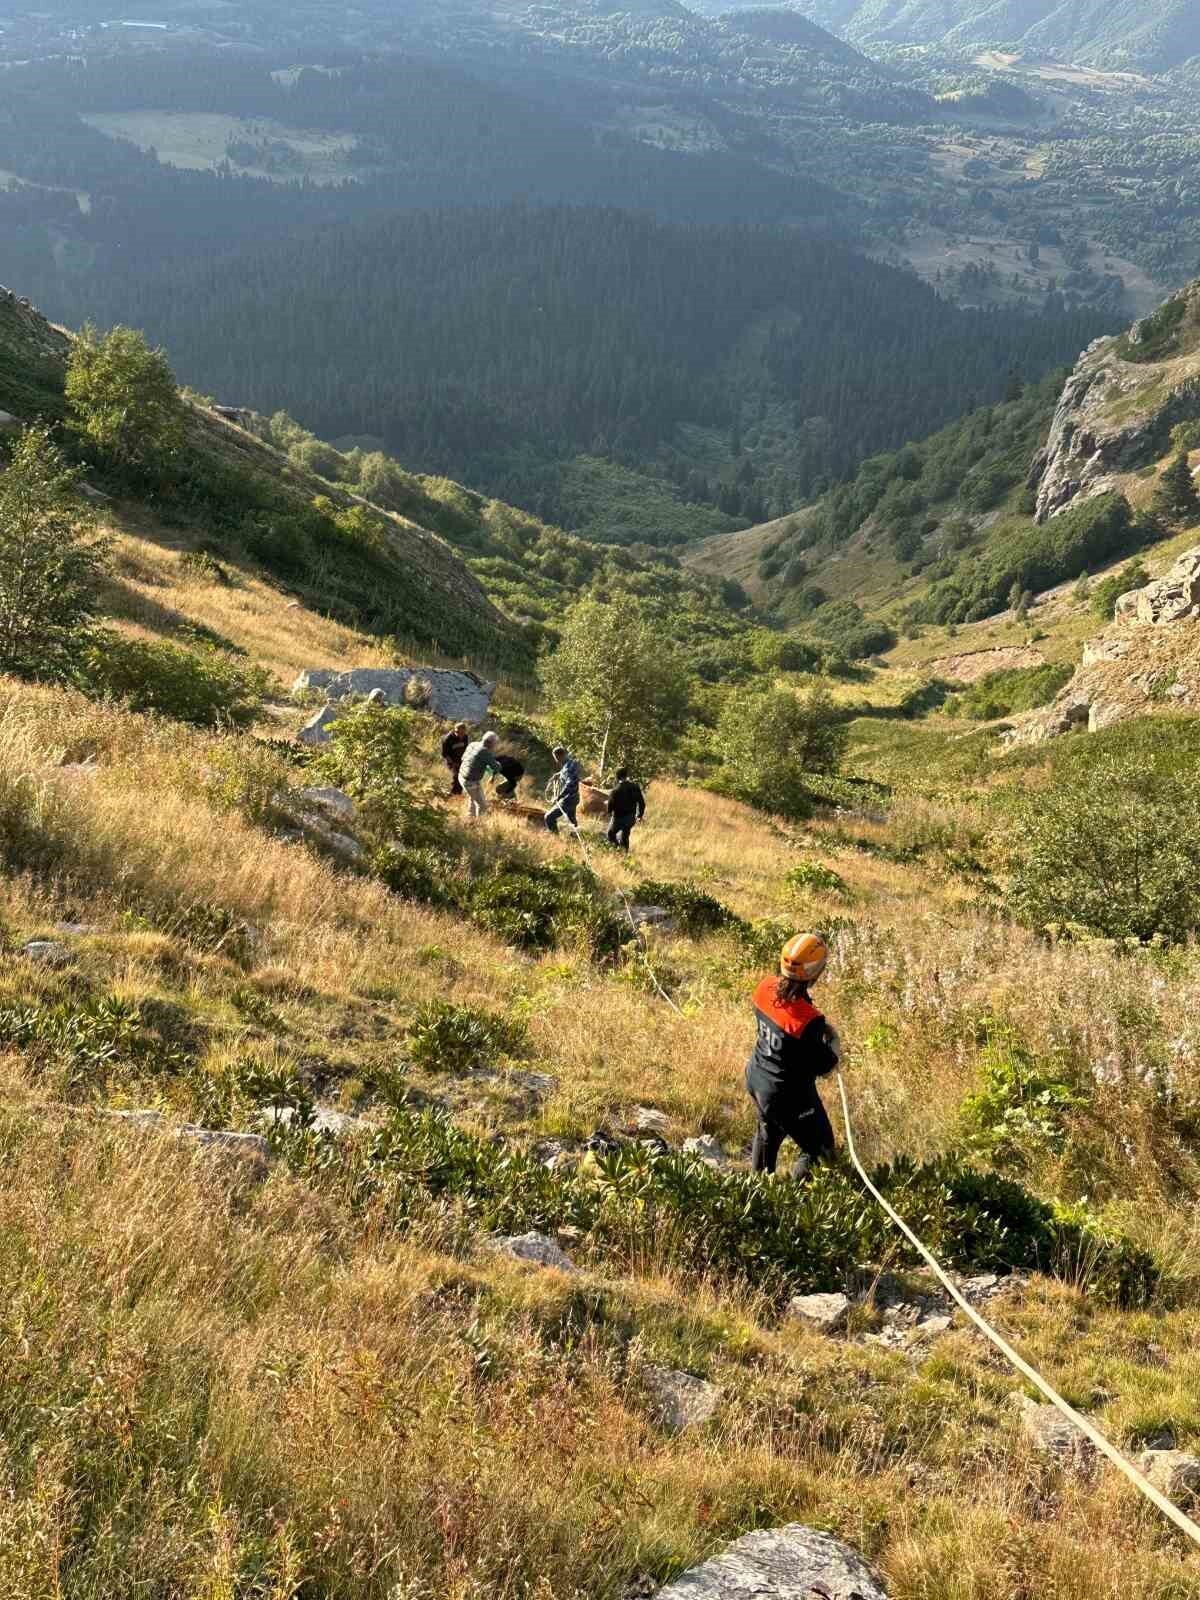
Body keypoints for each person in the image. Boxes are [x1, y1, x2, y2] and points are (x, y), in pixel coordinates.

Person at [745, 932, 841, 1176]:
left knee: (768, 1129)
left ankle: (758, 1190)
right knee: (820, 1150)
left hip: (758, 1077)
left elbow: (782, 1023)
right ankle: (797, 1201)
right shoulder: (809, 1021)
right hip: (789, 1095)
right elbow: (824, 1066)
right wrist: (833, 1046)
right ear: (816, 972)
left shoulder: (764, 987)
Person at [458, 731, 503, 821]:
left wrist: (480, 764)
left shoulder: (473, 744)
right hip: (470, 781)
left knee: (473, 798)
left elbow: (463, 758)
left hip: (462, 776)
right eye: (495, 744)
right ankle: (479, 825)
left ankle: (470, 819)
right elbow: (497, 768)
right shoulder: (485, 752)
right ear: (490, 743)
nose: (495, 746)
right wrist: (497, 763)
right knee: (482, 805)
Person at [605, 767, 646, 851]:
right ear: (626, 775)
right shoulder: (635, 787)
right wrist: (639, 815)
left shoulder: (615, 790)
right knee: (625, 835)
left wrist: (609, 812)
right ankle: (624, 853)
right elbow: (642, 803)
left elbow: (610, 805)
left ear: (617, 777)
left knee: (610, 834)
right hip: (631, 817)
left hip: (618, 818)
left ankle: (616, 849)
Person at [544, 745, 582, 834]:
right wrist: (558, 774)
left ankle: (555, 837)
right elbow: (570, 774)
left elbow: (570, 783)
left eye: (556, 757)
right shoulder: (571, 763)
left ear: (560, 756)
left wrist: (559, 796)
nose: (556, 760)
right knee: (571, 819)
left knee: (549, 817)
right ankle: (574, 835)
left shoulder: (567, 768)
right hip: (575, 797)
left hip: (568, 798)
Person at [441, 722, 470, 797]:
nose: (460, 735)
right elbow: (444, 754)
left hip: (461, 760)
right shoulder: (447, 739)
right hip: (451, 760)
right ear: (454, 730)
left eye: (462, 733)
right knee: (455, 776)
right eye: (458, 732)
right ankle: (450, 795)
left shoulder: (465, 737)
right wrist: (452, 763)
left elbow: (466, 749)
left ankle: (458, 795)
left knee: (462, 777)